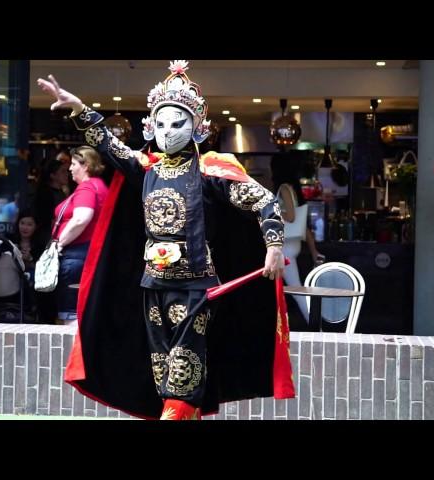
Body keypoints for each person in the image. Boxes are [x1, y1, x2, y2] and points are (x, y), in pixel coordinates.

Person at [38, 60, 293, 420]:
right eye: (160, 124)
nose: (167, 131)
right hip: (152, 285)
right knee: (162, 373)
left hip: (198, 290)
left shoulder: (210, 171)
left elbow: (264, 201)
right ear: (149, 126)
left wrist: (273, 245)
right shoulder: (145, 168)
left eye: (177, 124)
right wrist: (80, 110)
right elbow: (109, 145)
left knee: (184, 371)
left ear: (198, 128)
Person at [52, 146, 108, 331]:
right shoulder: (99, 185)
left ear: (86, 166)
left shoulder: (87, 187)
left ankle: (74, 357)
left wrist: (59, 244)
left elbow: (81, 218)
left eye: (74, 164)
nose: (70, 168)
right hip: (88, 253)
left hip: (77, 255)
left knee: (71, 313)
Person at [275, 163, 325, 326]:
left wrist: (272, 211)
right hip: (291, 245)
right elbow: (302, 224)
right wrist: (313, 250)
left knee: (296, 290)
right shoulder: (292, 189)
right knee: (291, 290)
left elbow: (290, 217)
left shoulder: (283, 188)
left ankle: (315, 327)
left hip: (285, 247)